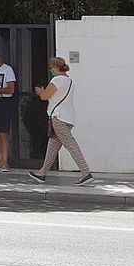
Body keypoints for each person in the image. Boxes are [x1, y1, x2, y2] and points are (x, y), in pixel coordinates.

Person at [28, 56, 93, 184]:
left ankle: (86, 173)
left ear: (56, 68)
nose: (51, 69)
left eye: (52, 67)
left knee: (71, 145)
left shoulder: (57, 80)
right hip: (68, 117)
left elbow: (45, 96)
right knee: (52, 147)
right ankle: (42, 172)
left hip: (58, 117)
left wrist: (41, 91)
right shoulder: (69, 81)